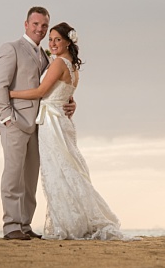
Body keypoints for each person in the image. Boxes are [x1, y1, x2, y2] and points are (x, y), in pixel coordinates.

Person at [10, 22, 131, 240]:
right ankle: (72, 220)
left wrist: (10, 94)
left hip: (53, 123)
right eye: (51, 39)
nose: (53, 43)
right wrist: (71, 103)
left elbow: (40, 91)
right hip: (61, 121)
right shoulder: (72, 66)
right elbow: (65, 93)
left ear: (68, 41)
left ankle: (69, 223)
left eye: (58, 39)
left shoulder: (58, 63)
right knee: (66, 170)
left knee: (60, 171)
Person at [0, 7, 76, 241]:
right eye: (36, 24)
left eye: (44, 26)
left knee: (29, 178)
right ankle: (11, 226)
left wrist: (70, 101)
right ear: (26, 24)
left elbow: (51, 88)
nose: (40, 29)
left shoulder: (46, 56)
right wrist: (7, 117)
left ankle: (25, 224)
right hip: (16, 123)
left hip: (40, 125)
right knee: (13, 175)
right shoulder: (11, 49)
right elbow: (0, 86)